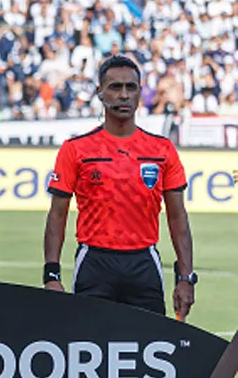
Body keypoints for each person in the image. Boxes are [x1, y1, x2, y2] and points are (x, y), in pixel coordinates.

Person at [43, 55, 196, 319]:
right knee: (89, 350)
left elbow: (177, 216)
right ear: (99, 92)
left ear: (139, 92)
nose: (124, 95)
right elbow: (57, 214)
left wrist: (186, 277)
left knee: (150, 350)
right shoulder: (75, 149)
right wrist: (51, 275)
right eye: (115, 87)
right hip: (94, 262)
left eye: (131, 87)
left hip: (144, 263)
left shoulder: (162, 150)